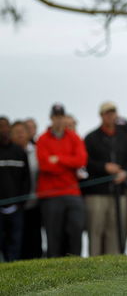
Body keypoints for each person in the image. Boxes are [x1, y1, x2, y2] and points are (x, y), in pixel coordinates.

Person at [83, 102, 127, 256]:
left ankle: (113, 269)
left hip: (118, 192)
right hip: (97, 193)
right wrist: (104, 167)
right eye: (107, 113)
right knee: (96, 230)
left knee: (115, 232)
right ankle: (94, 266)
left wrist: (124, 172)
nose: (110, 116)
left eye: (113, 113)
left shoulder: (123, 137)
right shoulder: (91, 137)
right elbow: (86, 163)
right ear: (101, 115)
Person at [36, 103, 88, 257]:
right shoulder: (43, 139)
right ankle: (53, 267)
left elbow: (81, 160)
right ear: (51, 118)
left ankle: (75, 264)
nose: (58, 120)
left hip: (71, 192)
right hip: (50, 194)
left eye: (61, 117)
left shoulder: (74, 137)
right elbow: (45, 165)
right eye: (56, 117)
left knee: (76, 229)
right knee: (53, 234)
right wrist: (68, 164)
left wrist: (57, 159)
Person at [9, 121, 42, 259]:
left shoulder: (37, 151)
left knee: (34, 237)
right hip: (15, 205)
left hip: (35, 202)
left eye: (23, 131)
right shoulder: (8, 152)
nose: (21, 134)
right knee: (16, 238)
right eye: (16, 132)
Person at [0, 117, 30, 262]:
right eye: (1, 127)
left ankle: (13, 265)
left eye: (6, 127)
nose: (3, 130)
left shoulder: (19, 152)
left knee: (15, 240)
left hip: (16, 207)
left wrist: (21, 202)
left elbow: (26, 180)